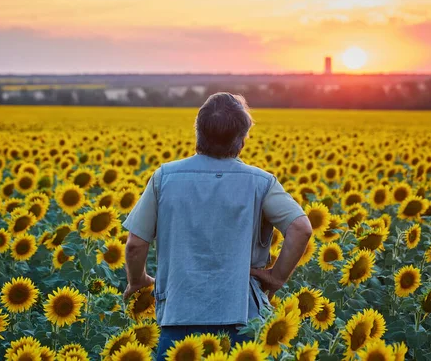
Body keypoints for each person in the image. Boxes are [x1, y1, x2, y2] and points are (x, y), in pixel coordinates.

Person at [122, 92, 312, 360]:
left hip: (179, 317)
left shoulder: (165, 177)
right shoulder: (261, 182)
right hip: (241, 317)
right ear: (242, 138)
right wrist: (276, 277)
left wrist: (137, 280)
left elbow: (135, 244)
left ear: (198, 131)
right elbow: (301, 228)